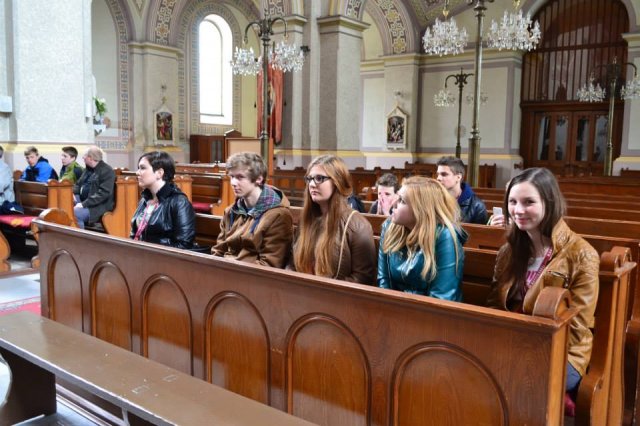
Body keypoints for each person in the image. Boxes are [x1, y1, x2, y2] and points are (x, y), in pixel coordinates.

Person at [486, 167, 599, 401]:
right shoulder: (508, 251)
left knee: (516, 381)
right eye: (513, 202)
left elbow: (577, 328)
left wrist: (521, 350)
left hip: (563, 352)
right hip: (512, 341)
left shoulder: (581, 254)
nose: (518, 210)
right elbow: (494, 305)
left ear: (549, 202)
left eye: (529, 202)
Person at [290, 154, 376, 284]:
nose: (312, 184)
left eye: (319, 178)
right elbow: (291, 263)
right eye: (309, 179)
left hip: (335, 295)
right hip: (300, 292)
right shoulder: (306, 220)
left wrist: (319, 290)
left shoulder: (358, 226)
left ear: (337, 182)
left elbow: (362, 279)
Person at [377, 176, 466, 300]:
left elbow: (442, 296)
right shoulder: (389, 227)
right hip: (392, 307)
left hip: (431, 310)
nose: (394, 204)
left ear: (420, 210)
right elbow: (384, 280)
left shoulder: (445, 237)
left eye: (402, 200)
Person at [212, 152, 293, 268]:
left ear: (259, 179)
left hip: (251, 275)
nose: (233, 183)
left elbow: (270, 264)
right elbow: (219, 251)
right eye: (232, 177)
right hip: (225, 271)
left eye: (240, 177)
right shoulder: (231, 211)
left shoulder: (278, 216)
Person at [130, 151, 195, 248]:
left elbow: (184, 245)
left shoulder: (179, 202)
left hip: (161, 256)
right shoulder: (145, 199)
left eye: (142, 168)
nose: (137, 172)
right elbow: (134, 234)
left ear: (159, 173)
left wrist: (150, 249)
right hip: (141, 253)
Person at [73, 146, 116, 229]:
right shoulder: (88, 169)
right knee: (65, 207)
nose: (83, 158)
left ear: (90, 158)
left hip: (98, 206)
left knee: (75, 213)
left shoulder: (107, 171)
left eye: (84, 156)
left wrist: (83, 204)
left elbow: (103, 194)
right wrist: (75, 196)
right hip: (84, 202)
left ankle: (80, 237)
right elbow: (78, 184)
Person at [436, 156, 488, 224]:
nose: (438, 178)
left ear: (458, 177)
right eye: (438, 174)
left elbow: (480, 230)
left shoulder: (477, 206)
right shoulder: (433, 199)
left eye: (444, 174)